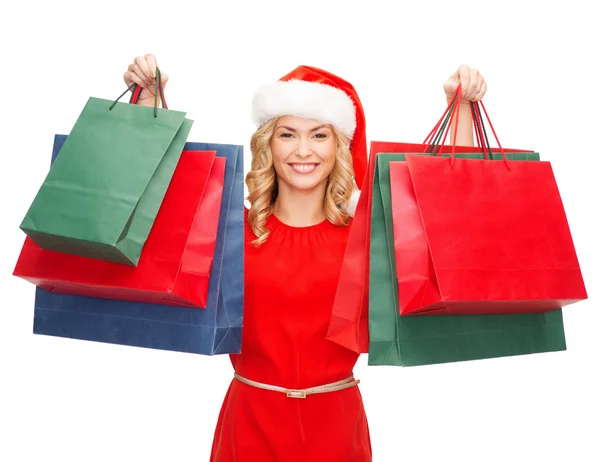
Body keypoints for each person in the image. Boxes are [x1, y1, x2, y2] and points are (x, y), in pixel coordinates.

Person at [124, 55, 487, 462]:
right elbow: (161, 212)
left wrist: (462, 109)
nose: (302, 150)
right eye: (287, 134)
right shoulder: (233, 232)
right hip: (248, 428)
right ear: (268, 143)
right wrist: (148, 102)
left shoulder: (364, 237)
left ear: (339, 147)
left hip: (336, 430)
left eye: (318, 135)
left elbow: (448, 225)